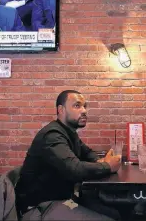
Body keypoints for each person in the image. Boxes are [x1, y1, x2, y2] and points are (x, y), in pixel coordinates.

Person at [15, 90, 122, 221]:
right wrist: (107, 166)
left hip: (63, 200)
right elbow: (75, 169)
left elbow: (87, 153)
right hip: (40, 207)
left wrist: (100, 160)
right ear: (61, 110)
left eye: (85, 106)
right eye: (77, 106)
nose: (84, 111)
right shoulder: (52, 135)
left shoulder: (69, 133)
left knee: (114, 213)